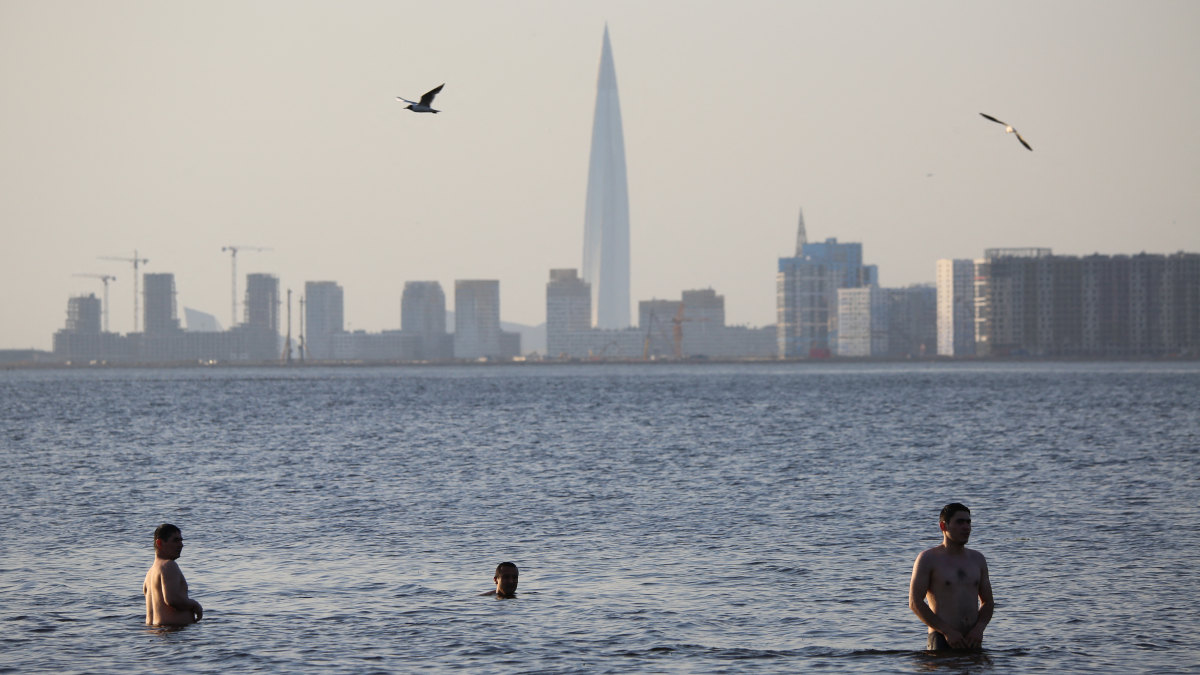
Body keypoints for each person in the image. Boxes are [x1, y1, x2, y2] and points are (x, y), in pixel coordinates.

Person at [909, 503, 994, 651]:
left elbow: (988, 602)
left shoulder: (977, 559)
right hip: (942, 639)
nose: (966, 527)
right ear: (943, 526)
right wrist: (947, 631)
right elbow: (915, 602)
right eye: (960, 522)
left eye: (968, 522)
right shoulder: (928, 558)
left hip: (972, 638)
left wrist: (979, 628)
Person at [143, 523, 203, 625]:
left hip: (155, 633)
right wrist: (195, 605)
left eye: (181, 540)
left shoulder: (149, 574)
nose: (181, 544)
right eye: (176, 540)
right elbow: (172, 600)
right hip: (173, 633)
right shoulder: (168, 565)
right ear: (160, 543)